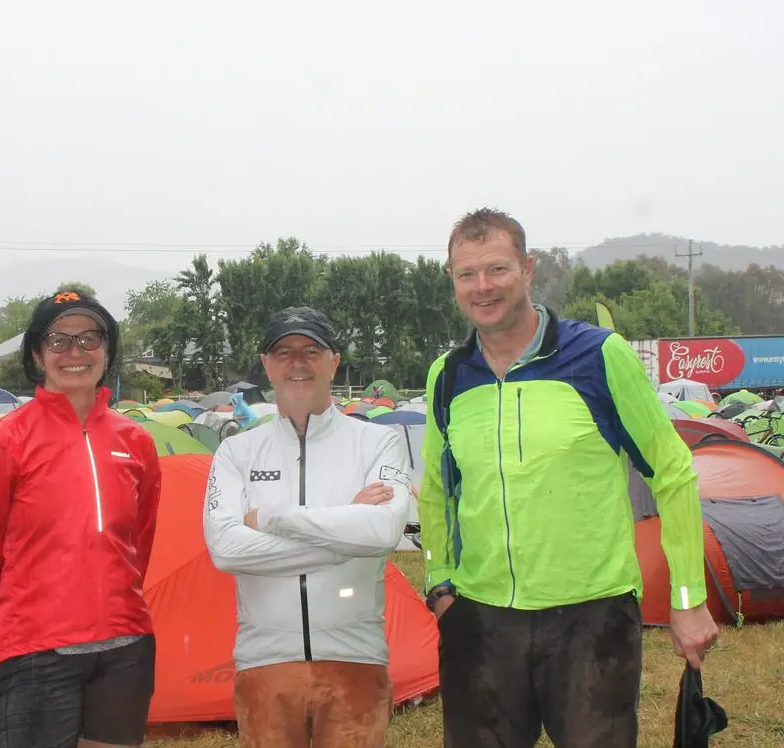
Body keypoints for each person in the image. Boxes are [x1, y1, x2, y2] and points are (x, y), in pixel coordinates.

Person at [418, 208, 720, 748]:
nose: (483, 286)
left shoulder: (600, 356)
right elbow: (439, 490)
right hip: (480, 620)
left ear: (527, 269)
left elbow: (673, 473)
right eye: (467, 274)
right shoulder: (448, 375)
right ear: (453, 280)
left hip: (592, 620)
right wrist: (440, 583)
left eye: (497, 269)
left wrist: (687, 596)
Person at [0, 289, 163, 748]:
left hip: (126, 647)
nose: (75, 352)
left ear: (107, 350)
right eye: (58, 340)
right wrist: (4, 648)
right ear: (36, 353)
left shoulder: (136, 441)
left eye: (90, 338)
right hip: (36, 650)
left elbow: (139, 544)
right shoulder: (2, 440)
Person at [203, 306, 414, 748]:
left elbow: (383, 532)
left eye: (311, 351)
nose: (297, 362)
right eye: (284, 352)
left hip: (356, 659)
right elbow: (225, 549)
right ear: (266, 364)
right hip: (264, 663)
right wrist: (345, 529)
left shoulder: (379, 441)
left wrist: (271, 518)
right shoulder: (237, 452)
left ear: (334, 362)